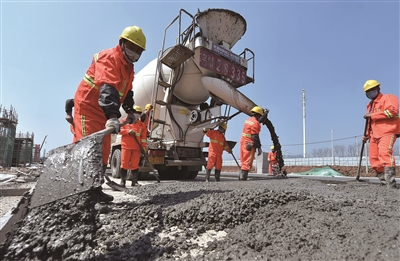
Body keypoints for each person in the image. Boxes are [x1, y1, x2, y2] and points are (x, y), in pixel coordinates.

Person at [72, 26, 146, 201]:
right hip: (88, 108)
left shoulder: (129, 68)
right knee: (88, 148)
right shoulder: (109, 58)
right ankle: (80, 194)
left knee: (104, 150)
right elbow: (108, 89)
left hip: (103, 112)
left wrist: (130, 110)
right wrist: (113, 116)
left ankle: (94, 191)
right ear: (121, 43)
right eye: (132, 47)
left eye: (138, 50)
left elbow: (127, 92)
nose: (134, 52)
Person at [362, 79, 399, 189]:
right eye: (368, 92)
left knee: (385, 154)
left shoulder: (388, 98)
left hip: (387, 131)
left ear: (378, 89)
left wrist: (372, 115)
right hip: (374, 135)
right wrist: (367, 135)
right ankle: (383, 182)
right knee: (374, 160)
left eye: (372, 90)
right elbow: (370, 122)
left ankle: (391, 184)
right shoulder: (370, 105)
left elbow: (392, 111)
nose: (370, 93)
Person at [119, 105, 147, 187]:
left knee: (135, 165)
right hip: (126, 147)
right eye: (135, 112)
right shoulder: (124, 121)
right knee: (124, 164)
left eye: (139, 113)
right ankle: (122, 182)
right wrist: (128, 131)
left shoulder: (141, 125)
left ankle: (134, 182)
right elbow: (119, 130)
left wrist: (143, 147)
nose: (137, 114)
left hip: (137, 148)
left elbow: (143, 138)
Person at [239, 106, 264, 181]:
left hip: (243, 142)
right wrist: (259, 147)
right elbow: (255, 136)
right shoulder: (256, 123)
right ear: (258, 115)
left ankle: (240, 177)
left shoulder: (248, 120)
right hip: (249, 144)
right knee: (248, 161)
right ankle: (243, 178)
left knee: (243, 161)